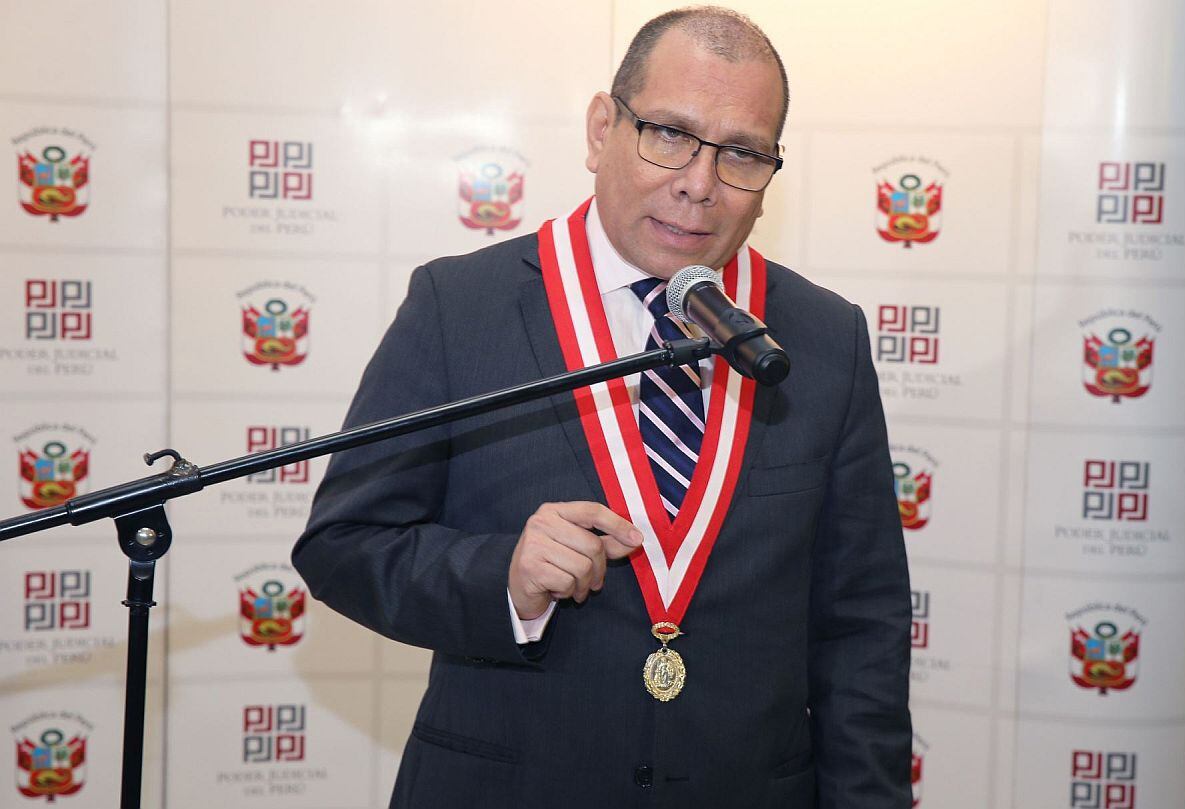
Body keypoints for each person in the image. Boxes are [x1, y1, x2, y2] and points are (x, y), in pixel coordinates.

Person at [294, 7, 911, 807]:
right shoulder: (462, 305)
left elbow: (862, 624)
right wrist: (502, 576)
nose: (699, 182)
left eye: (742, 154)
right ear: (599, 130)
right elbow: (344, 544)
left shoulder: (821, 338)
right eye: (669, 134)